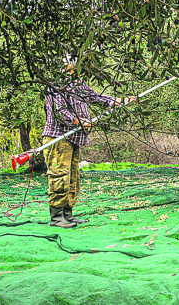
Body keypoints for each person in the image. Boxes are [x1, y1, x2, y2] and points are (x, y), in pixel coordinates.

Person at [43, 55, 136, 228]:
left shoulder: (77, 84)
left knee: (72, 177)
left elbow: (95, 97)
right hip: (58, 137)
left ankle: (67, 214)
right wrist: (78, 120)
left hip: (73, 138)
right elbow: (59, 111)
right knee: (59, 176)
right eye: (74, 66)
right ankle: (56, 218)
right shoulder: (55, 85)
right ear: (66, 67)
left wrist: (120, 101)